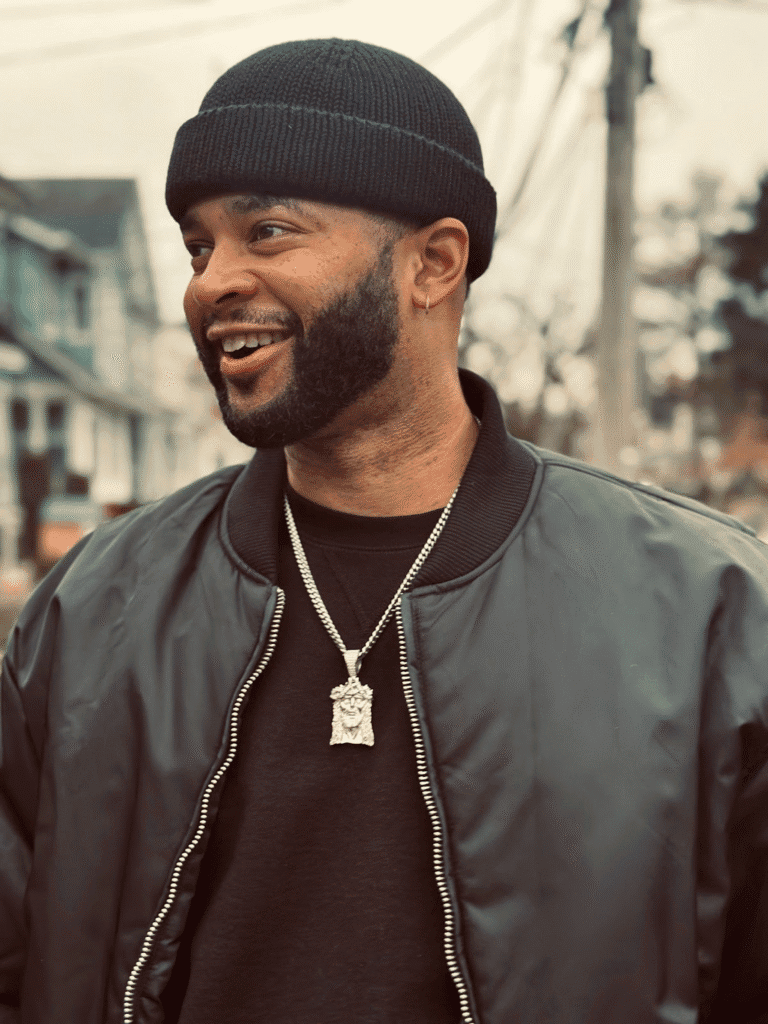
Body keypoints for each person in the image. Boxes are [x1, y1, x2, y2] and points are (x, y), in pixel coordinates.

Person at [1, 35, 768, 1024]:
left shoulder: (708, 612)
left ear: (434, 264)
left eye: (267, 231)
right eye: (198, 246)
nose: (209, 282)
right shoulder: (94, 605)